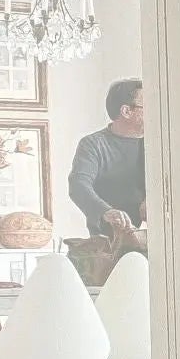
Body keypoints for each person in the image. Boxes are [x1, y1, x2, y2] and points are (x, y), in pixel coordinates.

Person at [69, 79, 146, 248]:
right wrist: (106, 212)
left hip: (158, 241)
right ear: (126, 111)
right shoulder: (93, 144)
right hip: (108, 245)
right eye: (147, 106)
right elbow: (78, 186)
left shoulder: (158, 145)